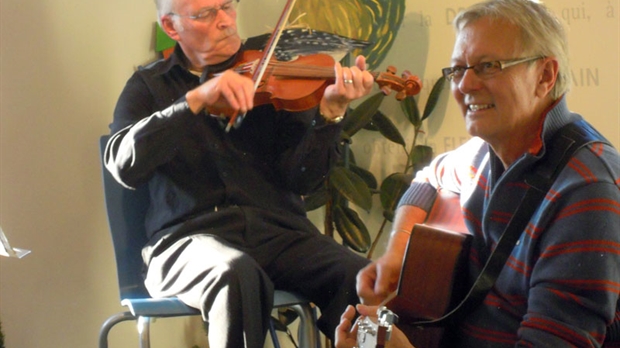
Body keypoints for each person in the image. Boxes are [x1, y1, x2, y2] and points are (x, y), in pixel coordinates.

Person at [336, 0, 620, 347]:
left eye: (488, 66)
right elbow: (427, 179)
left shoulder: (586, 189)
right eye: (457, 69)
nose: (465, 84)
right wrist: (395, 258)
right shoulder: (483, 155)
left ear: (545, 76)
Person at [104, 0, 375, 346]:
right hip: (187, 242)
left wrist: (330, 116)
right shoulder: (148, 86)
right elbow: (122, 164)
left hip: (277, 235)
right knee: (236, 273)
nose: (225, 22)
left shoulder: (271, 74)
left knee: (361, 277)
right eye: (205, 14)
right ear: (172, 28)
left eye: (227, 7)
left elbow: (303, 180)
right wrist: (194, 101)